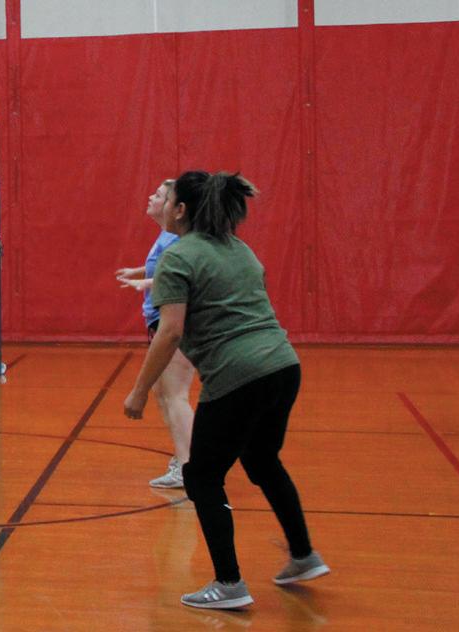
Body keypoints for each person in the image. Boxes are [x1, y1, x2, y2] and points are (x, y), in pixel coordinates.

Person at [123, 171, 327, 609]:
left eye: (169, 199)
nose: (162, 204)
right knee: (262, 460)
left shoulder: (178, 257)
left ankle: (229, 583)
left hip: (240, 374)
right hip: (283, 365)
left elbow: (170, 332)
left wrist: (139, 391)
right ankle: (303, 555)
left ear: (181, 210)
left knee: (201, 476)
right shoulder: (239, 248)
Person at [114, 180, 196, 488]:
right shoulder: (166, 235)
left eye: (159, 195)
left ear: (175, 207)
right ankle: (183, 459)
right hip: (157, 318)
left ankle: (190, 468)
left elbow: (175, 276)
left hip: (172, 319)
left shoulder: (178, 239)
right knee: (163, 394)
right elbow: (159, 268)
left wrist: (145, 284)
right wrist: (138, 272)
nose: (151, 197)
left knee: (175, 394)